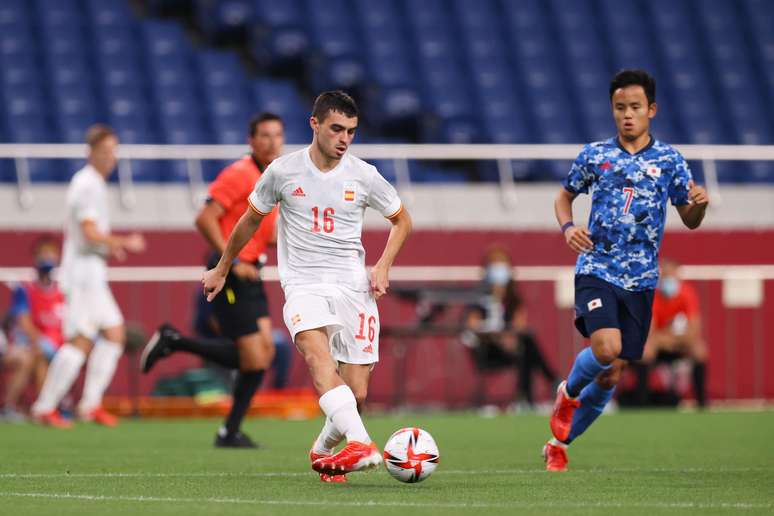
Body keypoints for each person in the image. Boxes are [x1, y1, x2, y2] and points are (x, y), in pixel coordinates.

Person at [202, 91, 412, 482]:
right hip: (304, 283)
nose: (344, 138)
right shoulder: (283, 171)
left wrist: (382, 266)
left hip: (354, 287)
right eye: (336, 129)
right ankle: (362, 444)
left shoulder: (364, 175)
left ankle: (323, 449)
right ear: (314, 125)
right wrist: (222, 266)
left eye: (351, 131)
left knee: (357, 395)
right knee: (318, 358)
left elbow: (402, 221)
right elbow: (248, 221)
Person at [544, 69, 709, 471]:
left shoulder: (669, 160)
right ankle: (567, 392)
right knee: (607, 349)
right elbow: (564, 197)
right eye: (620, 108)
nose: (627, 115)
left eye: (635, 107)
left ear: (651, 110)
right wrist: (568, 228)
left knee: (612, 373)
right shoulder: (595, 155)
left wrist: (699, 203)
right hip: (597, 267)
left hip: (642, 279)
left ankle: (559, 443)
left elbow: (690, 219)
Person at [141, 113, 282, 448]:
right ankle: (174, 341)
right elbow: (205, 218)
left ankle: (229, 431)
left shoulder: (272, 178)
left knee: (262, 355)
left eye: (277, 135)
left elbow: (266, 232)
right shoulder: (240, 173)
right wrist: (228, 262)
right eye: (264, 135)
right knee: (254, 356)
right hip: (232, 272)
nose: (272, 141)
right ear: (251, 141)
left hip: (252, 271)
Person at [30, 124, 146, 428]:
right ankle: (45, 407)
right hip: (81, 276)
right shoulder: (87, 185)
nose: (111, 157)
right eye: (105, 151)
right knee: (80, 342)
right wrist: (124, 243)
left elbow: (91, 236)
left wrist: (109, 250)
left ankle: (89, 405)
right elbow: (90, 231)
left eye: (114, 151)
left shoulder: (93, 183)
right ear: (90, 152)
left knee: (113, 335)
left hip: (91, 272)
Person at [461, 244, 557, 409]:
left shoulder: (513, 298)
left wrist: (510, 337)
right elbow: (472, 324)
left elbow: (519, 324)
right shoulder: (478, 297)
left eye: (503, 265)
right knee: (527, 346)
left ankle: (525, 399)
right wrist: (498, 337)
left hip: (511, 348)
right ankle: (548, 382)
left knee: (526, 346)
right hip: (487, 350)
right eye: (495, 265)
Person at [1, 236, 65, 420]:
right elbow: (24, 322)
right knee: (36, 356)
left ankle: (48, 407)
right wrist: (40, 342)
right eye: (43, 253)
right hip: (27, 344)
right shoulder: (25, 289)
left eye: (51, 253)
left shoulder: (63, 290)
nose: (47, 257)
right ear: (35, 258)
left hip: (58, 345)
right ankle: (14, 407)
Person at [640, 258, 707, 408]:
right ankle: (641, 402)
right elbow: (650, 333)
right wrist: (664, 340)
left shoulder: (687, 293)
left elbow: (694, 330)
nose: (668, 279)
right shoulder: (653, 296)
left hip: (679, 343)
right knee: (646, 351)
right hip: (659, 345)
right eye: (665, 276)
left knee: (699, 350)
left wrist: (673, 340)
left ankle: (702, 403)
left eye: (672, 275)